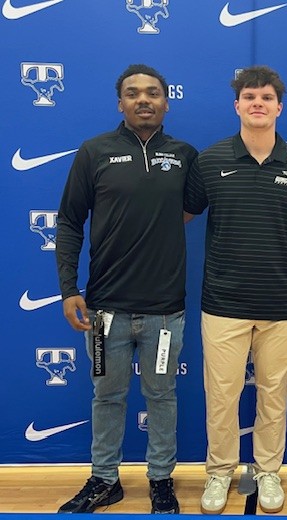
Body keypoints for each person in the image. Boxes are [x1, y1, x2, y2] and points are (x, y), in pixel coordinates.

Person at [183, 65, 287, 515]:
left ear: (279, 107)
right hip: (222, 303)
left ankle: (267, 471)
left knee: (273, 396)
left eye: (266, 97)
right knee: (221, 396)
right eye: (250, 97)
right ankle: (219, 472)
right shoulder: (209, 161)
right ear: (237, 106)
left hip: (281, 303)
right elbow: (179, 215)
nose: (258, 103)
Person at [55, 64, 197, 514]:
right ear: (120, 103)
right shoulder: (94, 151)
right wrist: (68, 288)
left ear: (166, 102)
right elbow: (69, 221)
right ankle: (104, 480)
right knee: (107, 397)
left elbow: (208, 196)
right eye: (133, 93)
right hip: (104, 312)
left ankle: (161, 480)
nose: (143, 99)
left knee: (162, 397)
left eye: (152, 92)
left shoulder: (185, 156)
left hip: (165, 311)